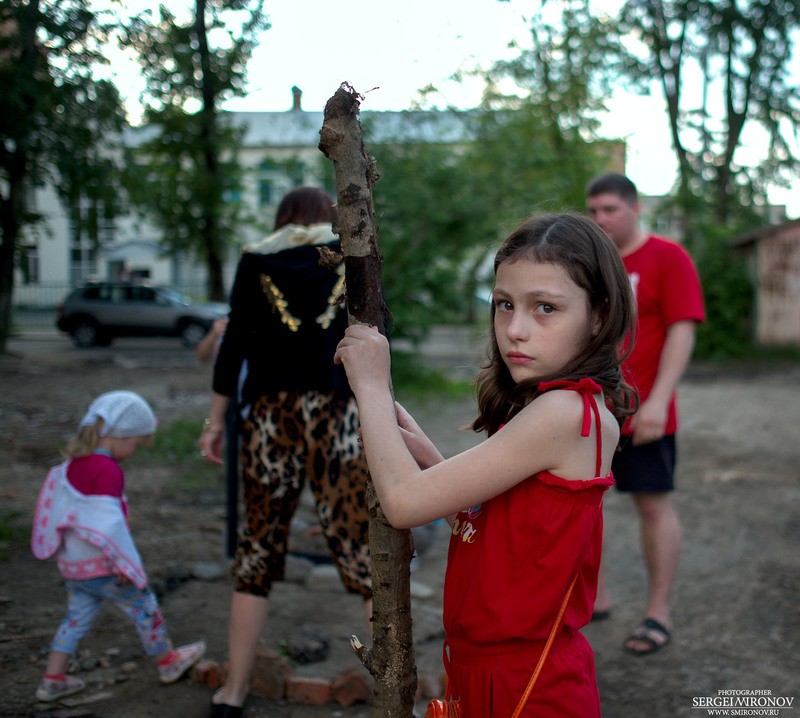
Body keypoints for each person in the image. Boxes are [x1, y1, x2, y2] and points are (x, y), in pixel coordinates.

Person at [335, 212, 637, 717]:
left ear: (599, 316)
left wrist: (368, 384)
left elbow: (405, 504)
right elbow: (499, 526)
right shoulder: (552, 405)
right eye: (504, 305)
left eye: (546, 308)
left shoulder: (564, 412)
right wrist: (426, 455)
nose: (515, 329)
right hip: (487, 672)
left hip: (527, 689)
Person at [198, 187, 372, 718]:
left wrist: (215, 419)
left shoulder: (255, 260)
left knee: (256, 551)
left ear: (281, 217)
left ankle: (233, 691)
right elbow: (373, 333)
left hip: (270, 418)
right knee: (364, 549)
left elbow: (234, 345)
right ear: (328, 215)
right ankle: (393, 687)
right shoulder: (352, 256)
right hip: (337, 416)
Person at [586, 172, 705, 656]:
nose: (600, 219)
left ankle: (658, 612)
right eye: (593, 211)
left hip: (646, 414)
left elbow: (682, 329)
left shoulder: (667, 256)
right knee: (583, 507)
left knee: (652, 507)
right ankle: (597, 597)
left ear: (634, 208)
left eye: (610, 209)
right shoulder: (592, 261)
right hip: (590, 411)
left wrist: (658, 401)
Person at [31, 391, 206, 702]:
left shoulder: (71, 466)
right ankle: (167, 661)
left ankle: (52, 678)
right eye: (136, 444)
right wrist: (124, 565)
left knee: (75, 618)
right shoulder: (108, 471)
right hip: (105, 566)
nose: (134, 451)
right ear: (120, 435)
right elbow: (111, 527)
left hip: (74, 566)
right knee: (144, 607)